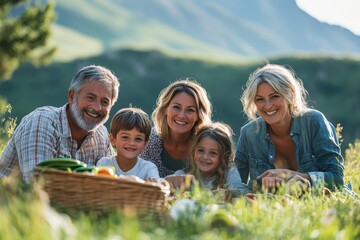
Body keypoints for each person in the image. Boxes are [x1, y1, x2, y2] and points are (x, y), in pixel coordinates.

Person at [235, 63, 344, 193]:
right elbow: (236, 185)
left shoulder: (314, 122)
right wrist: (258, 186)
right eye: (260, 99)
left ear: (290, 95)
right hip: (273, 210)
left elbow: (337, 179)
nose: (268, 106)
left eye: (275, 96)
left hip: (321, 206)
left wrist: (289, 175)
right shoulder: (248, 133)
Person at [0, 65, 120, 182]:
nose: (97, 107)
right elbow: (37, 185)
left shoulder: (102, 136)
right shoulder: (41, 123)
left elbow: (111, 182)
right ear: (72, 96)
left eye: (105, 102)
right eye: (90, 98)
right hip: (12, 200)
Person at [139, 79, 212, 178]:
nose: (182, 116)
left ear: (198, 115)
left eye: (190, 110)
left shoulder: (208, 146)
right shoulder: (149, 141)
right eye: (176, 107)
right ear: (165, 109)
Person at [167, 122, 250, 197]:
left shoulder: (229, 173)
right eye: (201, 150)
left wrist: (225, 193)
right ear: (193, 151)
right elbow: (164, 189)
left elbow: (241, 192)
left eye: (213, 153)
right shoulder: (183, 175)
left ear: (223, 157)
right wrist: (170, 184)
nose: (205, 157)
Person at [96, 107, 160, 180]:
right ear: (113, 139)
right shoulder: (104, 164)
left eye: (138, 139)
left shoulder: (148, 168)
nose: (131, 143)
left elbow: (156, 186)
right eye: (125, 137)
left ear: (145, 143)